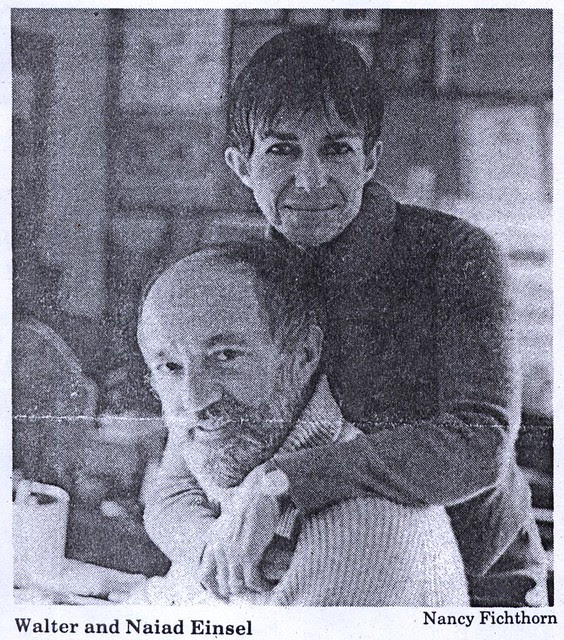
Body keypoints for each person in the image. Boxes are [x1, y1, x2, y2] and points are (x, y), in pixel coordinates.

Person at [145, 27, 547, 607]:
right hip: (310, 572)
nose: (311, 180)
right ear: (241, 165)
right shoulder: (243, 280)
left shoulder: (454, 254)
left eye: (336, 149)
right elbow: (175, 477)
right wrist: (217, 547)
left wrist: (286, 482)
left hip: (479, 583)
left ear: (370, 160)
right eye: (282, 150)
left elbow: (480, 443)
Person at [137, 243, 469, 605]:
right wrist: (210, 549)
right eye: (170, 366)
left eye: (226, 356)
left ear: (304, 354)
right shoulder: (236, 440)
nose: (195, 400)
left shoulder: (355, 538)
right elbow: (171, 490)